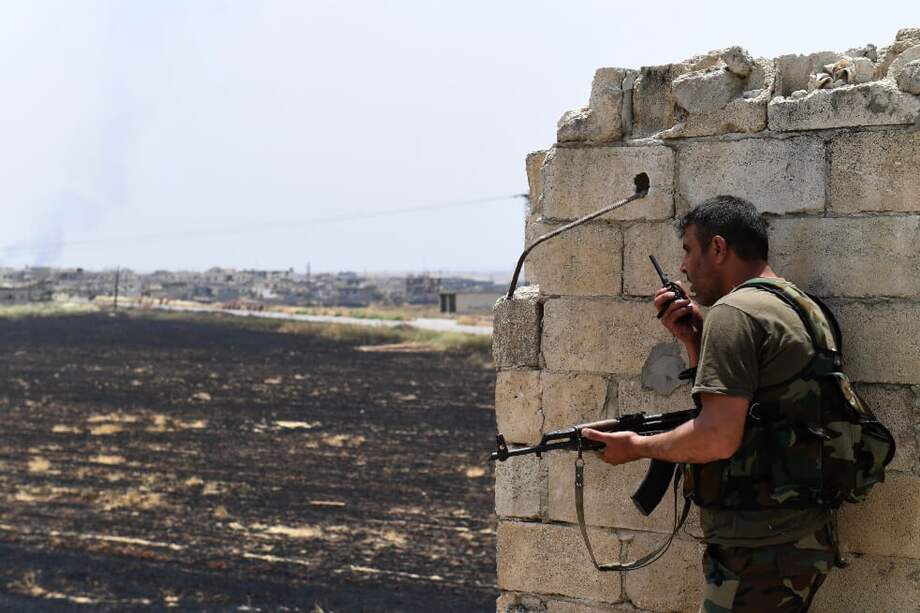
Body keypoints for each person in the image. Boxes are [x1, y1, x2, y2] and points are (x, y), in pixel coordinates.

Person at [581, 195, 836, 612]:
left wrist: (636, 447)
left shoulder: (733, 314)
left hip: (758, 546)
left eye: (688, 250)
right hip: (799, 533)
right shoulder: (799, 304)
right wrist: (696, 342)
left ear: (718, 248)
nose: (683, 267)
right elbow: (761, 407)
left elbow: (717, 437)